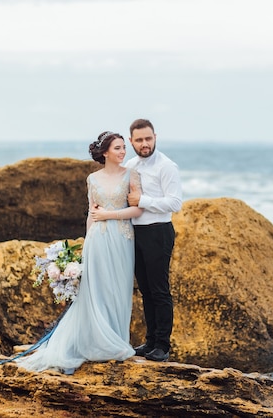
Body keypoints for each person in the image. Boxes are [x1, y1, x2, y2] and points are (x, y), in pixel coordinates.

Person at [13, 131, 143, 374]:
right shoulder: (92, 179)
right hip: (98, 240)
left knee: (119, 290)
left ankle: (116, 341)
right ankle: (98, 343)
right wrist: (84, 246)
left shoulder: (131, 175)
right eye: (117, 148)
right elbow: (90, 213)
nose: (123, 152)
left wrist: (109, 215)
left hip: (122, 238)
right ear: (105, 153)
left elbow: (137, 210)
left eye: (123, 147)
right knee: (96, 291)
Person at [125, 119, 182, 362]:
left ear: (155, 137)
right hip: (135, 233)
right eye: (139, 140)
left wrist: (143, 200)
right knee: (145, 290)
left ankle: (163, 345)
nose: (145, 143)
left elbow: (175, 203)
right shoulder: (129, 166)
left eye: (148, 138)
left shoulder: (167, 166)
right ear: (131, 141)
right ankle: (149, 341)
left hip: (158, 231)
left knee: (159, 290)